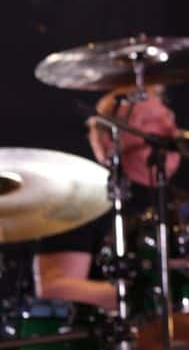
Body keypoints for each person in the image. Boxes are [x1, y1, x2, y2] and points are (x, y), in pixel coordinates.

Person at [32, 90, 180, 310]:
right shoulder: (81, 199)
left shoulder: (178, 200)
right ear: (109, 140)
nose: (169, 131)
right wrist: (145, 296)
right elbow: (55, 286)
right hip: (108, 338)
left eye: (169, 120)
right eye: (151, 122)